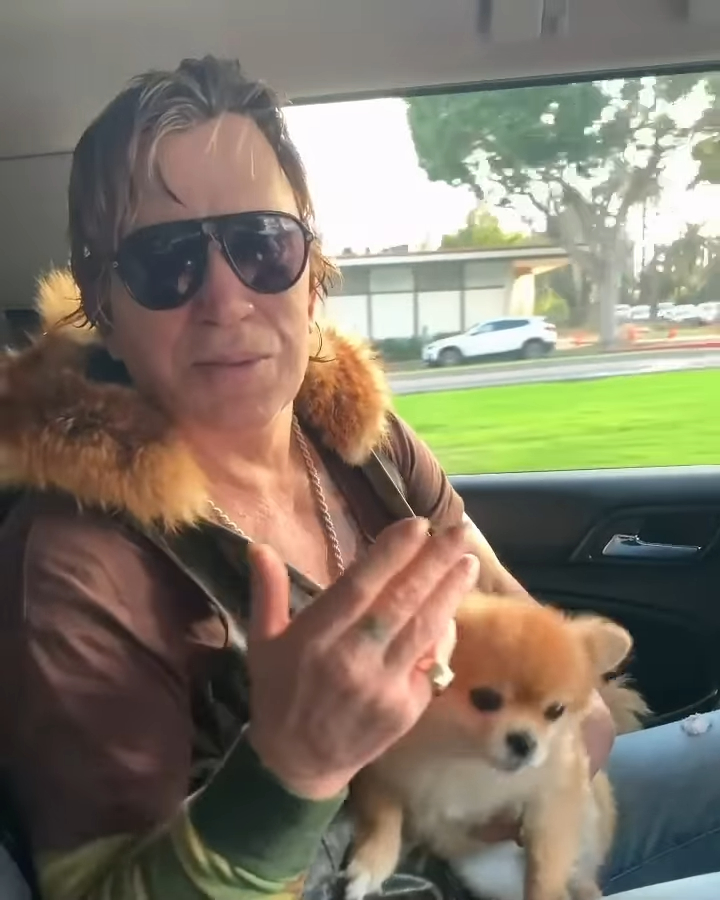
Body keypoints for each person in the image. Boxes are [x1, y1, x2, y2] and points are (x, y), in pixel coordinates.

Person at [0, 55, 717, 900]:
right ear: (107, 308)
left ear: (311, 275)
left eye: (263, 246)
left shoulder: (360, 439)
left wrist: (537, 771)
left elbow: (543, 648)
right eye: (166, 262)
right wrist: (289, 770)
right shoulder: (75, 564)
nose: (226, 298)